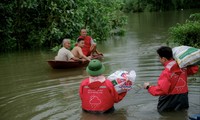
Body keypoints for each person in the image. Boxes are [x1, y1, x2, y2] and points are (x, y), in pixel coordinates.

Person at [143, 46, 199, 113]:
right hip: (183, 97)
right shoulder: (182, 66)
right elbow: (194, 70)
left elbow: (161, 90)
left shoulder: (166, 71)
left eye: (159, 57)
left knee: (165, 115)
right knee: (182, 114)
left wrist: (148, 87)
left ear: (164, 59)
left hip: (169, 99)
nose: (159, 60)